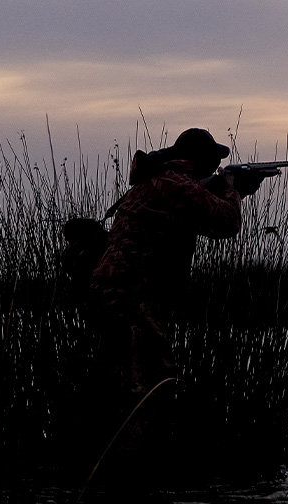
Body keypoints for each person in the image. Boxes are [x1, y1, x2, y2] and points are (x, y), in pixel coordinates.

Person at [86, 128, 266, 473]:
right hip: (130, 294)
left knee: (132, 384)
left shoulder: (160, 182)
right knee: (150, 387)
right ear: (202, 161)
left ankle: (119, 468)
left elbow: (206, 221)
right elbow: (226, 223)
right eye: (213, 163)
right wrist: (231, 188)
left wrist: (229, 188)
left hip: (115, 291)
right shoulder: (174, 184)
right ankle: (129, 474)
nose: (215, 168)